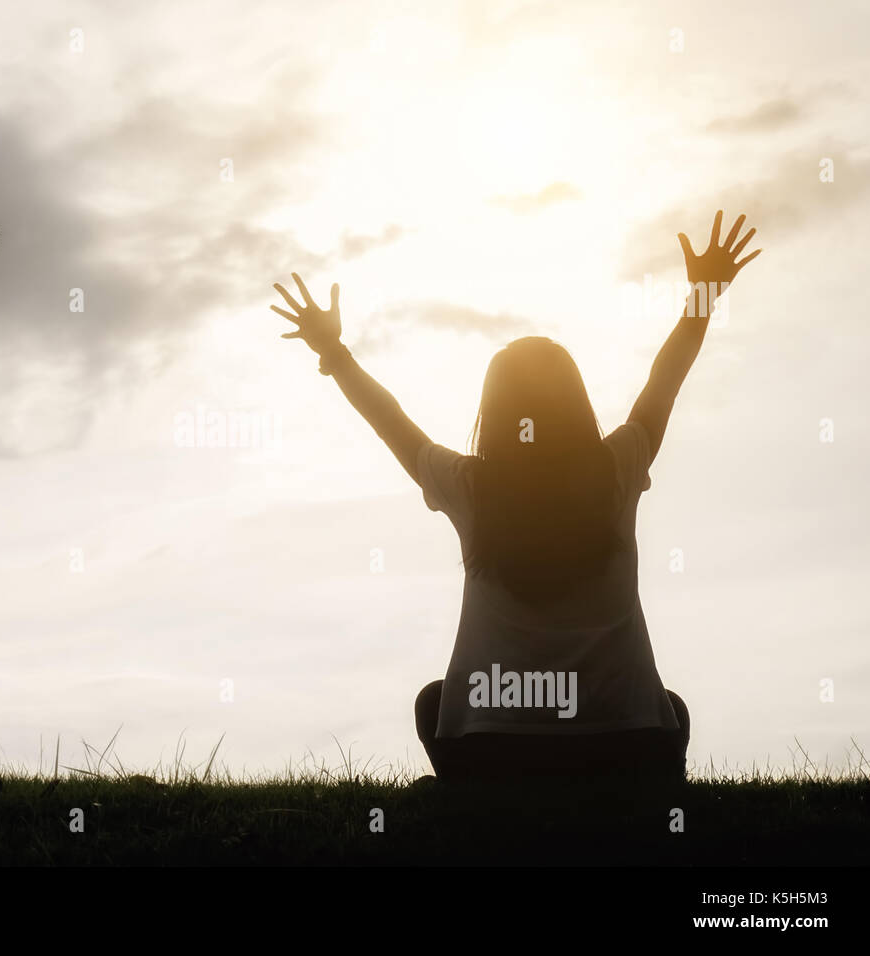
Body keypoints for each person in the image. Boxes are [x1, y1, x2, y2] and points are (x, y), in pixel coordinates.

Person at [269, 211, 761, 784]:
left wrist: (335, 352)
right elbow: (664, 382)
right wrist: (702, 297)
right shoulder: (618, 468)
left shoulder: (470, 487)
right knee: (670, 707)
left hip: (496, 756)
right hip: (627, 750)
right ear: (576, 404)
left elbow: (390, 421)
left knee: (434, 703)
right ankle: (638, 798)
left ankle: (474, 800)